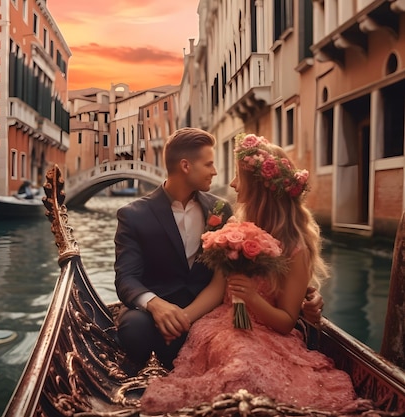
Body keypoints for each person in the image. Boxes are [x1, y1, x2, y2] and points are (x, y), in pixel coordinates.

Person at [139, 133, 361, 413]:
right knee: (235, 354)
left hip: (270, 335)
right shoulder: (235, 229)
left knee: (244, 362)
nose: (231, 184)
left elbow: (285, 323)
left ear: (256, 188)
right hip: (222, 326)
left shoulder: (296, 248)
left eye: (237, 178)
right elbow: (218, 289)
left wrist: (253, 298)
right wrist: (183, 319)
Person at [114, 128, 323, 369]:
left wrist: (309, 296)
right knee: (134, 328)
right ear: (185, 166)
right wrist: (157, 305)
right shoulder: (134, 215)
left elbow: (274, 278)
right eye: (209, 164)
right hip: (179, 312)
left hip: (212, 314)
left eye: (237, 177)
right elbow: (127, 277)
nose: (218, 174)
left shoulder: (221, 210)